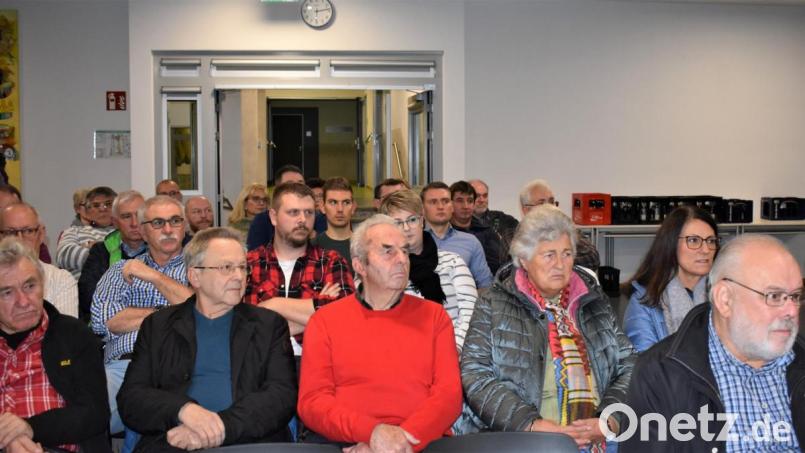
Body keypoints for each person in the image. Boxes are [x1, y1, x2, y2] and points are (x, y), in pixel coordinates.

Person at [460, 205, 635, 450]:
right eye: (549, 255)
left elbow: (629, 366)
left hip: (599, 440)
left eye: (566, 254)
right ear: (523, 259)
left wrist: (609, 419)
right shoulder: (493, 303)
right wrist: (531, 425)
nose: (560, 264)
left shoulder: (593, 301)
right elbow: (476, 375)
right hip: (523, 441)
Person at [117, 227, 297, 451]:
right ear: (195, 276)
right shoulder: (159, 326)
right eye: (226, 268)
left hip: (249, 440)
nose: (239, 276)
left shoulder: (268, 325)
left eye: (242, 267)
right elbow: (132, 398)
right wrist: (183, 410)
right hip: (175, 438)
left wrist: (220, 428)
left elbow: (280, 397)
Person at [622, 235, 805, 452]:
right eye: (774, 296)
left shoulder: (799, 364)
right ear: (725, 299)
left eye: (796, 296)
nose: (791, 311)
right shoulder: (661, 375)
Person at [298, 215, 462, 452]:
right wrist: (372, 433)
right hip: (345, 442)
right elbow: (313, 403)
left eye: (405, 251)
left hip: (420, 441)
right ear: (359, 266)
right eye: (388, 252)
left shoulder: (435, 316)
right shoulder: (325, 321)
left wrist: (399, 440)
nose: (402, 260)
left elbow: (448, 397)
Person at [91, 195, 192, 436]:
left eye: (175, 221)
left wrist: (153, 276)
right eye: (157, 223)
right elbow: (105, 320)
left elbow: (201, 310)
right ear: (143, 232)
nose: (168, 229)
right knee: (90, 413)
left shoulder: (200, 268)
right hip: (125, 363)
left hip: (183, 365)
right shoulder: (119, 270)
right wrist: (165, 312)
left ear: (185, 226)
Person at [0, 237, 109, 452]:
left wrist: (29, 428)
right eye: (7, 292)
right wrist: (9, 440)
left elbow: (94, 413)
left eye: (30, 286)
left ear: (43, 285)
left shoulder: (72, 335)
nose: (23, 301)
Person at [244, 182, 354, 352]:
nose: (303, 219)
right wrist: (319, 307)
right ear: (273, 217)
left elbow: (345, 318)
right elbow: (241, 323)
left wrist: (272, 305)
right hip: (260, 367)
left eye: (309, 213)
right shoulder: (249, 264)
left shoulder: (331, 262)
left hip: (316, 363)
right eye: (293, 212)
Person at [380, 189, 477, 352]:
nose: (406, 228)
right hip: (403, 354)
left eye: (412, 220)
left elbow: (471, 313)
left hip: (453, 352)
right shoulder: (382, 270)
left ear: (422, 221)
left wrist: (452, 349)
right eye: (397, 222)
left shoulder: (452, 262)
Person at [623, 205, 719, 352]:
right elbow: (645, 365)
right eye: (693, 240)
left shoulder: (724, 293)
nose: (706, 250)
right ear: (671, 243)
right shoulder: (644, 301)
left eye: (711, 241)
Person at [78, 191, 147, 323]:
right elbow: (89, 300)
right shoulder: (100, 252)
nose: (134, 223)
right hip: (107, 332)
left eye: (139, 215)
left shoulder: (162, 250)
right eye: (126, 216)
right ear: (115, 222)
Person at [0, 203, 78, 318]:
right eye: (10, 232)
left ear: (41, 235)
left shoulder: (60, 279)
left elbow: (65, 333)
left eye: (28, 231)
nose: (20, 239)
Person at [421, 182, 493, 290]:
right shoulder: (411, 241)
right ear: (422, 208)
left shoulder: (471, 242)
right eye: (433, 202)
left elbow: (486, 285)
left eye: (445, 201)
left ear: (452, 206)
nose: (440, 207)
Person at [519, 179, 600, 271]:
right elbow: (518, 267)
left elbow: (592, 258)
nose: (549, 207)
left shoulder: (564, 227)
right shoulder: (518, 236)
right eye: (541, 203)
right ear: (526, 210)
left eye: (551, 202)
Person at [246, 165, 327, 250]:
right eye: (290, 184)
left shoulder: (319, 218)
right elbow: (255, 253)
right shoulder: (263, 220)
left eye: (300, 184)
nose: (296, 188)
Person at [56, 186, 117, 280]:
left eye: (108, 204)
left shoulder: (123, 231)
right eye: (96, 205)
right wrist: (110, 253)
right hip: (85, 289)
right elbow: (63, 255)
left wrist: (96, 247)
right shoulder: (74, 231)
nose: (102, 209)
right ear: (88, 210)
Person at [449, 180, 504, 274]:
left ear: (474, 203)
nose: (465, 206)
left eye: (470, 201)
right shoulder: (444, 233)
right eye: (460, 201)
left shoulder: (487, 232)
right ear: (450, 203)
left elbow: (499, 266)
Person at [313, 177, 355, 266]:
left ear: (353, 207)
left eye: (346, 202)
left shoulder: (366, 246)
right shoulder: (312, 248)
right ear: (322, 207)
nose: (340, 209)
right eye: (333, 202)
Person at [469, 179, 519, 252]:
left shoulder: (503, 219)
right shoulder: (459, 223)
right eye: (477, 196)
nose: (482, 200)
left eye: (485, 195)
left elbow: (522, 237)